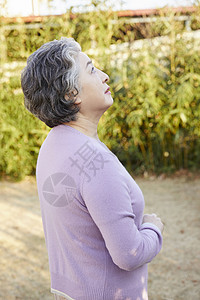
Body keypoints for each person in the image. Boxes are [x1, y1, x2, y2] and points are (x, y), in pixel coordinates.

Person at [21, 37, 164, 300]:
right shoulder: (96, 163)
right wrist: (154, 227)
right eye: (91, 69)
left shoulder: (51, 147)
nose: (105, 75)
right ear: (69, 94)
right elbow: (130, 254)